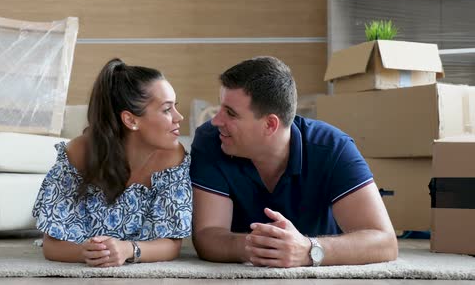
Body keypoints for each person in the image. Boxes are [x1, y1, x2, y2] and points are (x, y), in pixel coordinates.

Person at [190, 56, 397, 268]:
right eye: (221, 107)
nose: (216, 121)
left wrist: (309, 250)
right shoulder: (211, 140)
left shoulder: (333, 148)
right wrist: (259, 246)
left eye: (230, 113)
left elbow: (385, 242)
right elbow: (207, 235)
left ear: (270, 124)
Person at [32, 58, 192, 267]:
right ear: (131, 120)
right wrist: (87, 252)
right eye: (166, 109)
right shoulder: (78, 153)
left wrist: (128, 250)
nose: (178, 117)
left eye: (175, 107)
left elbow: (171, 244)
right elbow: (51, 246)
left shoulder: (174, 158)